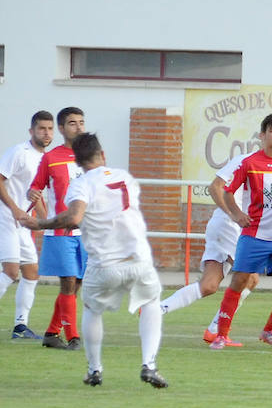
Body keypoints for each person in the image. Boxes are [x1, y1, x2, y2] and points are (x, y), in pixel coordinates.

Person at [19, 133, 168, 388]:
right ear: (103, 154)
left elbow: (74, 217)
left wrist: (40, 223)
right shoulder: (125, 177)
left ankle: (95, 369)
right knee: (151, 303)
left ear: (77, 161)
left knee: (92, 310)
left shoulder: (82, 184)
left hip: (104, 263)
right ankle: (149, 364)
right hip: (138, 258)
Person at [209, 114, 272, 350]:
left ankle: (270, 330)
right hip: (254, 235)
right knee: (239, 280)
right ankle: (221, 334)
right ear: (262, 135)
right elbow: (228, 191)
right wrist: (236, 214)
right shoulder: (250, 162)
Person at [159, 153, 259, 347]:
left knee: (209, 285)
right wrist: (233, 214)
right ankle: (216, 330)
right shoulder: (246, 160)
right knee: (250, 278)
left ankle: (157, 309)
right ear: (262, 135)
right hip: (229, 226)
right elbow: (215, 187)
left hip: (225, 226)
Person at [28, 106, 87, 351]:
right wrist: (32, 196)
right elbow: (35, 188)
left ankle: (52, 333)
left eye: (81, 122)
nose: (79, 127)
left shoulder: (93, 156)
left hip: (85, 233)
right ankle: (74, 337)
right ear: (62, 129)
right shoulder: (50, 157)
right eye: (73, 123)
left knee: (77, 283)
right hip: (60, 231)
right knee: (68, 282)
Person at [0, 111, 54, 339]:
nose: (46, 133)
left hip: (22, 222)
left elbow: (37, 193)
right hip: (5, 215)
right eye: (42, 128)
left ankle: (21, 327)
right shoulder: (18, 152)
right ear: (31, 131)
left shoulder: (47, 159)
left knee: (31, 272)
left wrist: (43, 221)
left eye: (50, 129)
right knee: (11, 271)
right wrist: (14, 208)